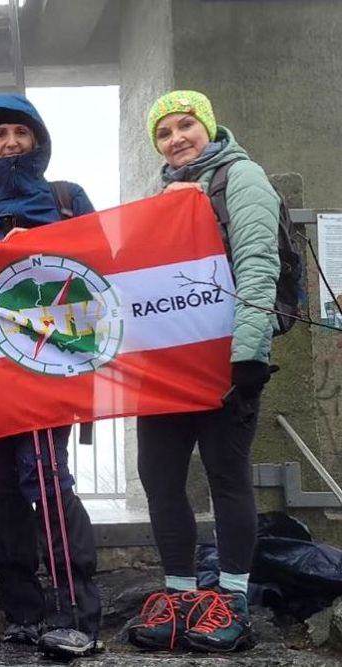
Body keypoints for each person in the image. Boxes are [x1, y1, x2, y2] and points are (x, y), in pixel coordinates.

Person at [0, 94, 101, 659]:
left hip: (50, 365)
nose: (9, 143)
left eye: (19, 132)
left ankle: (76, 611)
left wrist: (39, 249)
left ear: (37, 140)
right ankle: (21, 609)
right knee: (1, 488)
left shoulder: (67, 197)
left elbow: (101, 265)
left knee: (46, 480)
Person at [128, 90, 278, 654]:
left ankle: (232, 601)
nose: (176, 139)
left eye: (186, 125)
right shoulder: (161, 192)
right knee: (160, 478)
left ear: (208, 126)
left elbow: (259, 262)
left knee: (226, 475)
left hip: (224, 360)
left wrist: (250, 352)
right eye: (164, 133)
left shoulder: (242, 178)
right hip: (166, 364)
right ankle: (181, 598)